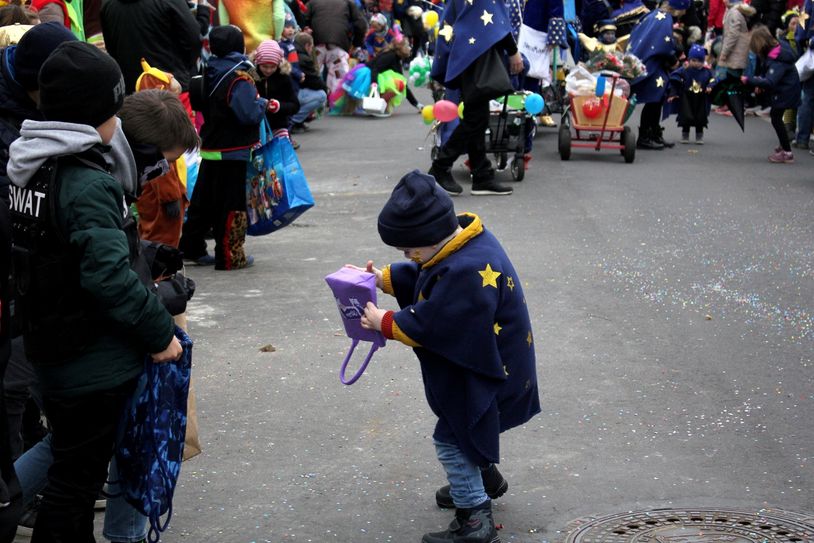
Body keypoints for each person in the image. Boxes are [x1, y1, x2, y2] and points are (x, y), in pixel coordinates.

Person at [6, 40, 181, 541]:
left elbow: (69, 250)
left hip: (49, 340)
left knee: (68, 469)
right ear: (89, 116)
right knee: (74, 486)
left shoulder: (31, 161)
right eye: (111, 110)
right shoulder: (86, 180)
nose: (117, 123)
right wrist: (158, 333)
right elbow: (106, 276)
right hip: (89, 357)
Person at [351, 170, 540, 543]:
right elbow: (429, 271)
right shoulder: (465, 242)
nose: (406, 257)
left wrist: (384, 321)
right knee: (467, 425)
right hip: (497, 363)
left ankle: (474, 518)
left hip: (489, 373)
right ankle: (483, 478)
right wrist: (384, 280)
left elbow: (435, 323)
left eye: (408, 251)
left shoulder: (467, 271)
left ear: (428, 238)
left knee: (452, 437)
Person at [179, 25, 273, 270]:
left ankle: (190, 247)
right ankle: (230, 255)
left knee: (203, 201)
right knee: (231, 204)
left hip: (211, 146)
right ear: (238, 46)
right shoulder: (238, 76)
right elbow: (247, 113)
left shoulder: (209, 69)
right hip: (234, 150)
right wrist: (262, 103)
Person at [428, 0, 524, 196]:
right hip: (475, 53)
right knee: (475, 118)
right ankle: (441, 166)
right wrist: (513, 51)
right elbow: (494, 18)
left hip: (465, 51)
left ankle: (482, 175)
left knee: (477, 116)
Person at [121, 88, 200, 247]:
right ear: (146, 151)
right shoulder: (109, 187)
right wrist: (170, 197)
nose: (167, 168)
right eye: (167, 162)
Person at [101, 0, 202, 94]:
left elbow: (112, 50)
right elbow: (194, 38)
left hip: (134, 93)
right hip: (172, 87)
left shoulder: (107, 3)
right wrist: (184, 68)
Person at [628, 0, 688, 150]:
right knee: (654, 100)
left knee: (658, 98)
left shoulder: (656, 14)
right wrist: (673, 59)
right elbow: (663, 44)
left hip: (652, 63)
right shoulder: (665, 19)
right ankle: (645, 136)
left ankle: (654, 132)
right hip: (653, 65)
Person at [742, 24, 801, 163]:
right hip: (788, 89)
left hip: (785, 91)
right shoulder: (778, 50)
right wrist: (760, 83)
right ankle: (784, 144)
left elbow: (770, 81)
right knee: (777, 117)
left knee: (776, 117)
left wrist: (750, 80)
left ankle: (787, 152)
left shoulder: (777, 59)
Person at [304, 0, 367, 95]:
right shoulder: (348, 3)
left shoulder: (312, 2)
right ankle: (335, 103)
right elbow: (361, 25)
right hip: (338, 44)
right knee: (338, 77)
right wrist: (356, 43)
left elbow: (302, 20)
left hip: (316, 44)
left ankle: (314, 103)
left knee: (312, 73)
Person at [252, 39, 301, 140]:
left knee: (281, 148)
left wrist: (279, 106)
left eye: (273, 67)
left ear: (278, 64)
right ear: (257, 63)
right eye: (264, 66)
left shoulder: (283, 77)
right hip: (255, 125)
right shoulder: (252, 75)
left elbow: (295, 105)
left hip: (278, 124)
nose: (268, 70)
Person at [668, 43, 715, 143]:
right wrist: (673, 93)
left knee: (700, 118)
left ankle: (699, 135)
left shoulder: (707, 71)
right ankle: (685, 134)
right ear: (689, 60)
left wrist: (710, 86)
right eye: (693, 60)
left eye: (700, 61)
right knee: (685, 116)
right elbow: (674, 77)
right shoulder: (685, 70)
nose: (696, 63)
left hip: (701, 98)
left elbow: (713, 79)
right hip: (687, 98)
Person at [714, 0, 755, 115]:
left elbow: (733, 34)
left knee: (734, 80)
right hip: (737, 51)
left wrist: (725, 52)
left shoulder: (734, 12)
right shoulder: (736, 11)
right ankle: (730, 104)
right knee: (732, 79)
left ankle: (736, 106)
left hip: (736, 52)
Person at [291, 31, 328, 132]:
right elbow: (313, 81)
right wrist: (326, 89)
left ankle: (299, 119)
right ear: (307, 46)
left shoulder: (292, 51)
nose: (311, 50)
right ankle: (294, 121)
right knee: (321, 95)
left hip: (291, 91)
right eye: (311, 47)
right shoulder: (304, 58)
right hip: (293, 92)